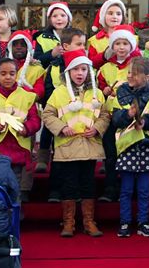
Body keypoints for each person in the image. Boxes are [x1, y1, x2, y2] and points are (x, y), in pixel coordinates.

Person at [42, 49, 110, 238]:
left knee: (88, 184)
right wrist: (62, 127)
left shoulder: (96, 93)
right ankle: (69, 221)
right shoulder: (59, 92)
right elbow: (47, 115)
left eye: (83, 69)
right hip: (68, 147)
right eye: (75, 70)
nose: (80, 73)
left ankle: (89, 221)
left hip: (89, 145)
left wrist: (97, 128)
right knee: (69, 184)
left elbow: (104, 114)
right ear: (68, 72)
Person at [111, 57, 149, 238]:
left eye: (134, 73)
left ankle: (143, 222)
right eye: (129, 72)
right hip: (127, 147)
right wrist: (127, 114)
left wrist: (146, 121)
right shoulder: (121, 92)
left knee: (143, 190)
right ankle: (125, 222)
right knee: (125, 189)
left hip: (146, 146)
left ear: (147, 77)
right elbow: (115, 119)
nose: (129, 75)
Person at [0, 58, 41, 204]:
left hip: (18, 148)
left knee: (15, 185)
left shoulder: (27, 96)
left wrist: (26, 129)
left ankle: (14, 218)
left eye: (12, 73)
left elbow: (35, 120)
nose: (8, 77)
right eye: (3, 73)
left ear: (17, 74)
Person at [35, 28, 86, 207]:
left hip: (81, 120)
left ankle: (78, 191)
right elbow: (49, 89)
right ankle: (55, 190)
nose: (83, 47)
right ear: (65, 46)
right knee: (59, 157)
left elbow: (90, 88)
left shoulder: (85, 65)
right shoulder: (55, 66)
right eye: (79, 44)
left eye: (84, 44)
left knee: (80, 162)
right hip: (61, 117)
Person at [97, 25, 142, 203]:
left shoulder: (137, 66)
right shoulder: (106, 68)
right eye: (117, 43)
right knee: (111, 154)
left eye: (125, 43)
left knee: (130, 153)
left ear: (131, 46)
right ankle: (110, 188)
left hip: (130, 115)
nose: (121, 47)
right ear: (112, 47)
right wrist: (105, 90)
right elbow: (98, 89)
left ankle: (130, 190)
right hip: (110, 115)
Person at [88, 0, 138, 69]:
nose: (114, 17)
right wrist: (104, 56)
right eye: (110, 13)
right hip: (104, 78)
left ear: (122, 17)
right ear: (103, 16)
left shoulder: (133, 38)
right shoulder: (94, 41)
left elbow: (139, 61)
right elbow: (90, 64)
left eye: (118, 14)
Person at [7, 30, 46, 100]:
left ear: (28, 48)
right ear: (10, 47)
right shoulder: (2, 67)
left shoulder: (38, 69)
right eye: (15, 44)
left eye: (22, 44)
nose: (19, 47)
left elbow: (39, 91)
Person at [33, 1, 72, 69]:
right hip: (48, 77)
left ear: (68, 18)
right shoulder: (41, 38)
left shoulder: (75, 36)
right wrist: (52, 54)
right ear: (50, 19)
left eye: (63, 15)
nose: (59, 19)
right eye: (55, 16)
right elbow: (36, 61)